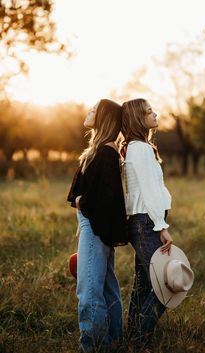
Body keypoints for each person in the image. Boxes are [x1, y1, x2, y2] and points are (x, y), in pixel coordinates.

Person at [67, 99, 129, 352]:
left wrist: (82, 201)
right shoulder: (102, 149)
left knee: (89, 292)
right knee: (106, 287)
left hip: (95, 225)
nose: (89, 111)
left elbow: (108, 197)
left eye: (95, 109)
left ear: (103, 118)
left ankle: (94, 347)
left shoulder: (106, 152)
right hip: (94, 225)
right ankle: (114, 341)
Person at [121, 98, 173, 348]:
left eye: (153, 109)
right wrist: (161, 226)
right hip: (147, 221)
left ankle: (133, 337)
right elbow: (151, 191)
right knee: (168, 284)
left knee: (143, 285)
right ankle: (138, 341)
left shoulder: (139, 146)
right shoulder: (139, 149)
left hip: (143, 220)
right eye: (148, 112)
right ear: (137, 119)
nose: (154, 114)